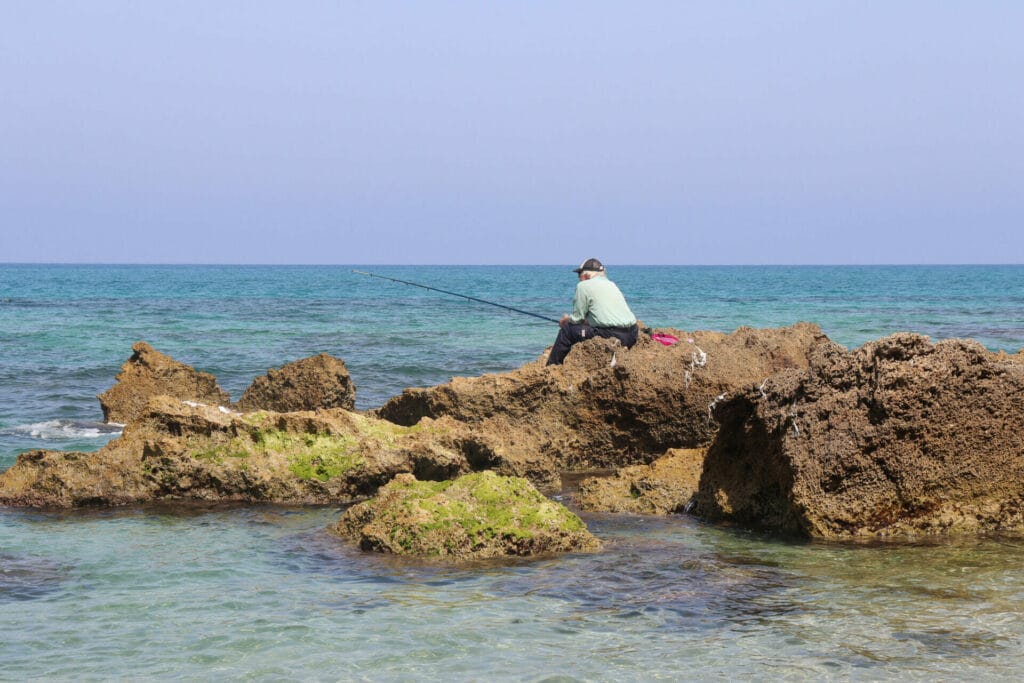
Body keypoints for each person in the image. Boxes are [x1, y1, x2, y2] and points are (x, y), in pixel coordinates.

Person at [546, 258, 639, 365]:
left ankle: (552, 367)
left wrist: (565, 321)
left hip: (613, 335)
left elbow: (577, 319)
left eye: (579, 275)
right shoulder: (611, 284)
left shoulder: (583, 286)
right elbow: (604, 317)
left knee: (567, 330)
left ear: (587, 275)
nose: (578, 279)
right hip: (632, 334)